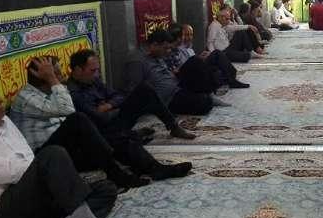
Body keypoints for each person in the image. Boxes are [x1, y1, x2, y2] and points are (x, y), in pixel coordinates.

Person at [0, 78, 133, 218]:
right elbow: (10, 173)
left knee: (105, 189)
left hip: (32, 200)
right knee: (53, 155)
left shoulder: (3, 121)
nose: (0, 100)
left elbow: (28, 156)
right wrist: (52, 174)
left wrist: (58, 182)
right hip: (0, 215)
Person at [11, 56, 191, 185]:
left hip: (70, 148)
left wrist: (109, 106)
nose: (61, 78)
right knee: (80, 120)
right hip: (47, 156)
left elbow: (117, 96)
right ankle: (117, 173)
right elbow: (69, 111)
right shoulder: (26, 97)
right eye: (56, 74)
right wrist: (52, 79)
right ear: (43, 77)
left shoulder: (56, 91)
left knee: (116, 137)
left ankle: (154, 168)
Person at [66, 49, 196, 139]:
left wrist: (109, 105)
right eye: (92, 71)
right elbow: (100, 118)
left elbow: (118, 96)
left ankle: (173, 127)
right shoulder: (73, 92)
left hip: (115, 117)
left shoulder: (94, 81)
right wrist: (116, 107)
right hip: (105, 131)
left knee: (145, 89)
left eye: (97, 70)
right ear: (78, 70)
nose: (97, 74)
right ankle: (130, 134)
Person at [125, 30, 214, 115]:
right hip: (167, 98)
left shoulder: (157, 54)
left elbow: (166, 71)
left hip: (177, 87)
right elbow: (135, 89)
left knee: (195, 62)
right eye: (165, 48)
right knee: (205, 103)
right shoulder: (137, 60)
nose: (168, 51)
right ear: (155, 44)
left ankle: (208, 93)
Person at [166, 24, 249, 90]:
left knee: (217, 70)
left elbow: (193, 60)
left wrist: (200, 57)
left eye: (191, 35)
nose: (189, 38)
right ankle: (231, 80)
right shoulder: (174, 50)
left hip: (197, 66)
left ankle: (229, 78)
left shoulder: (188, 47)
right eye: (185, 35)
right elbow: (185, 66)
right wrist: (199, 58)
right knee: (217, 54)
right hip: (190, 73)